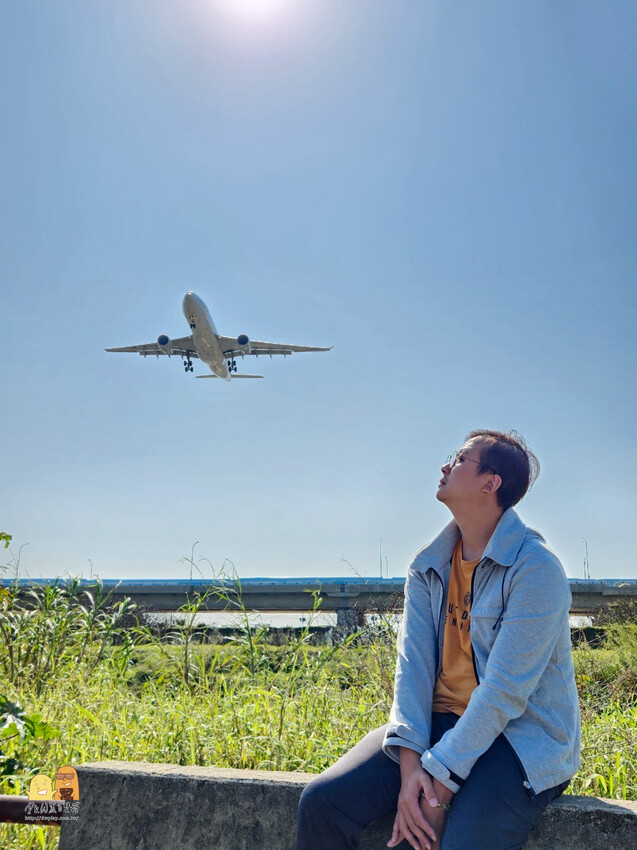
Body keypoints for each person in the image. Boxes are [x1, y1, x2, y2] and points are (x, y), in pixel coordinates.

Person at [296, 429, 580, 850]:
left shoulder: (535, 569)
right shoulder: (429, 565)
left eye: (461, 459)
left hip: (518, 739)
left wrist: (438, 785)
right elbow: (411, 668)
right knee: (322, 803)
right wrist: (412, 766)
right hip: (438, 724)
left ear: (491, 482)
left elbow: (503, 693)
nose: (445, 466)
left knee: (455, 841)